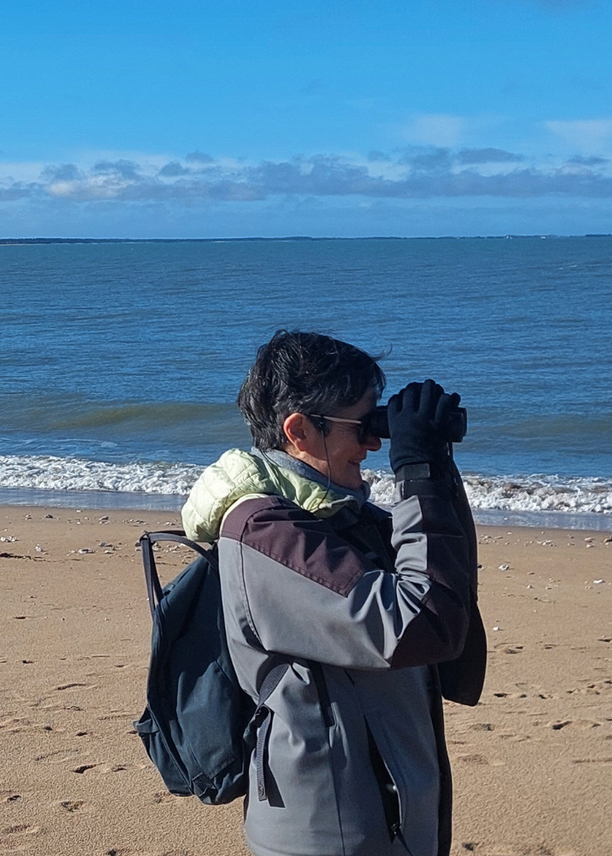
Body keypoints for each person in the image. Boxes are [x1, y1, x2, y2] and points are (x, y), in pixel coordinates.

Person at [181, 330, 485, 856]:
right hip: (331, 834)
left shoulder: (334, 513)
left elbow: (449, 599)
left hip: (383, 823)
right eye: (360, 426)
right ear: (298, 431)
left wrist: (437, 467)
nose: (373, 442)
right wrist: (415, 471)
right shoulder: (266, 532)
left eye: (378, 425)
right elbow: (419, 623)